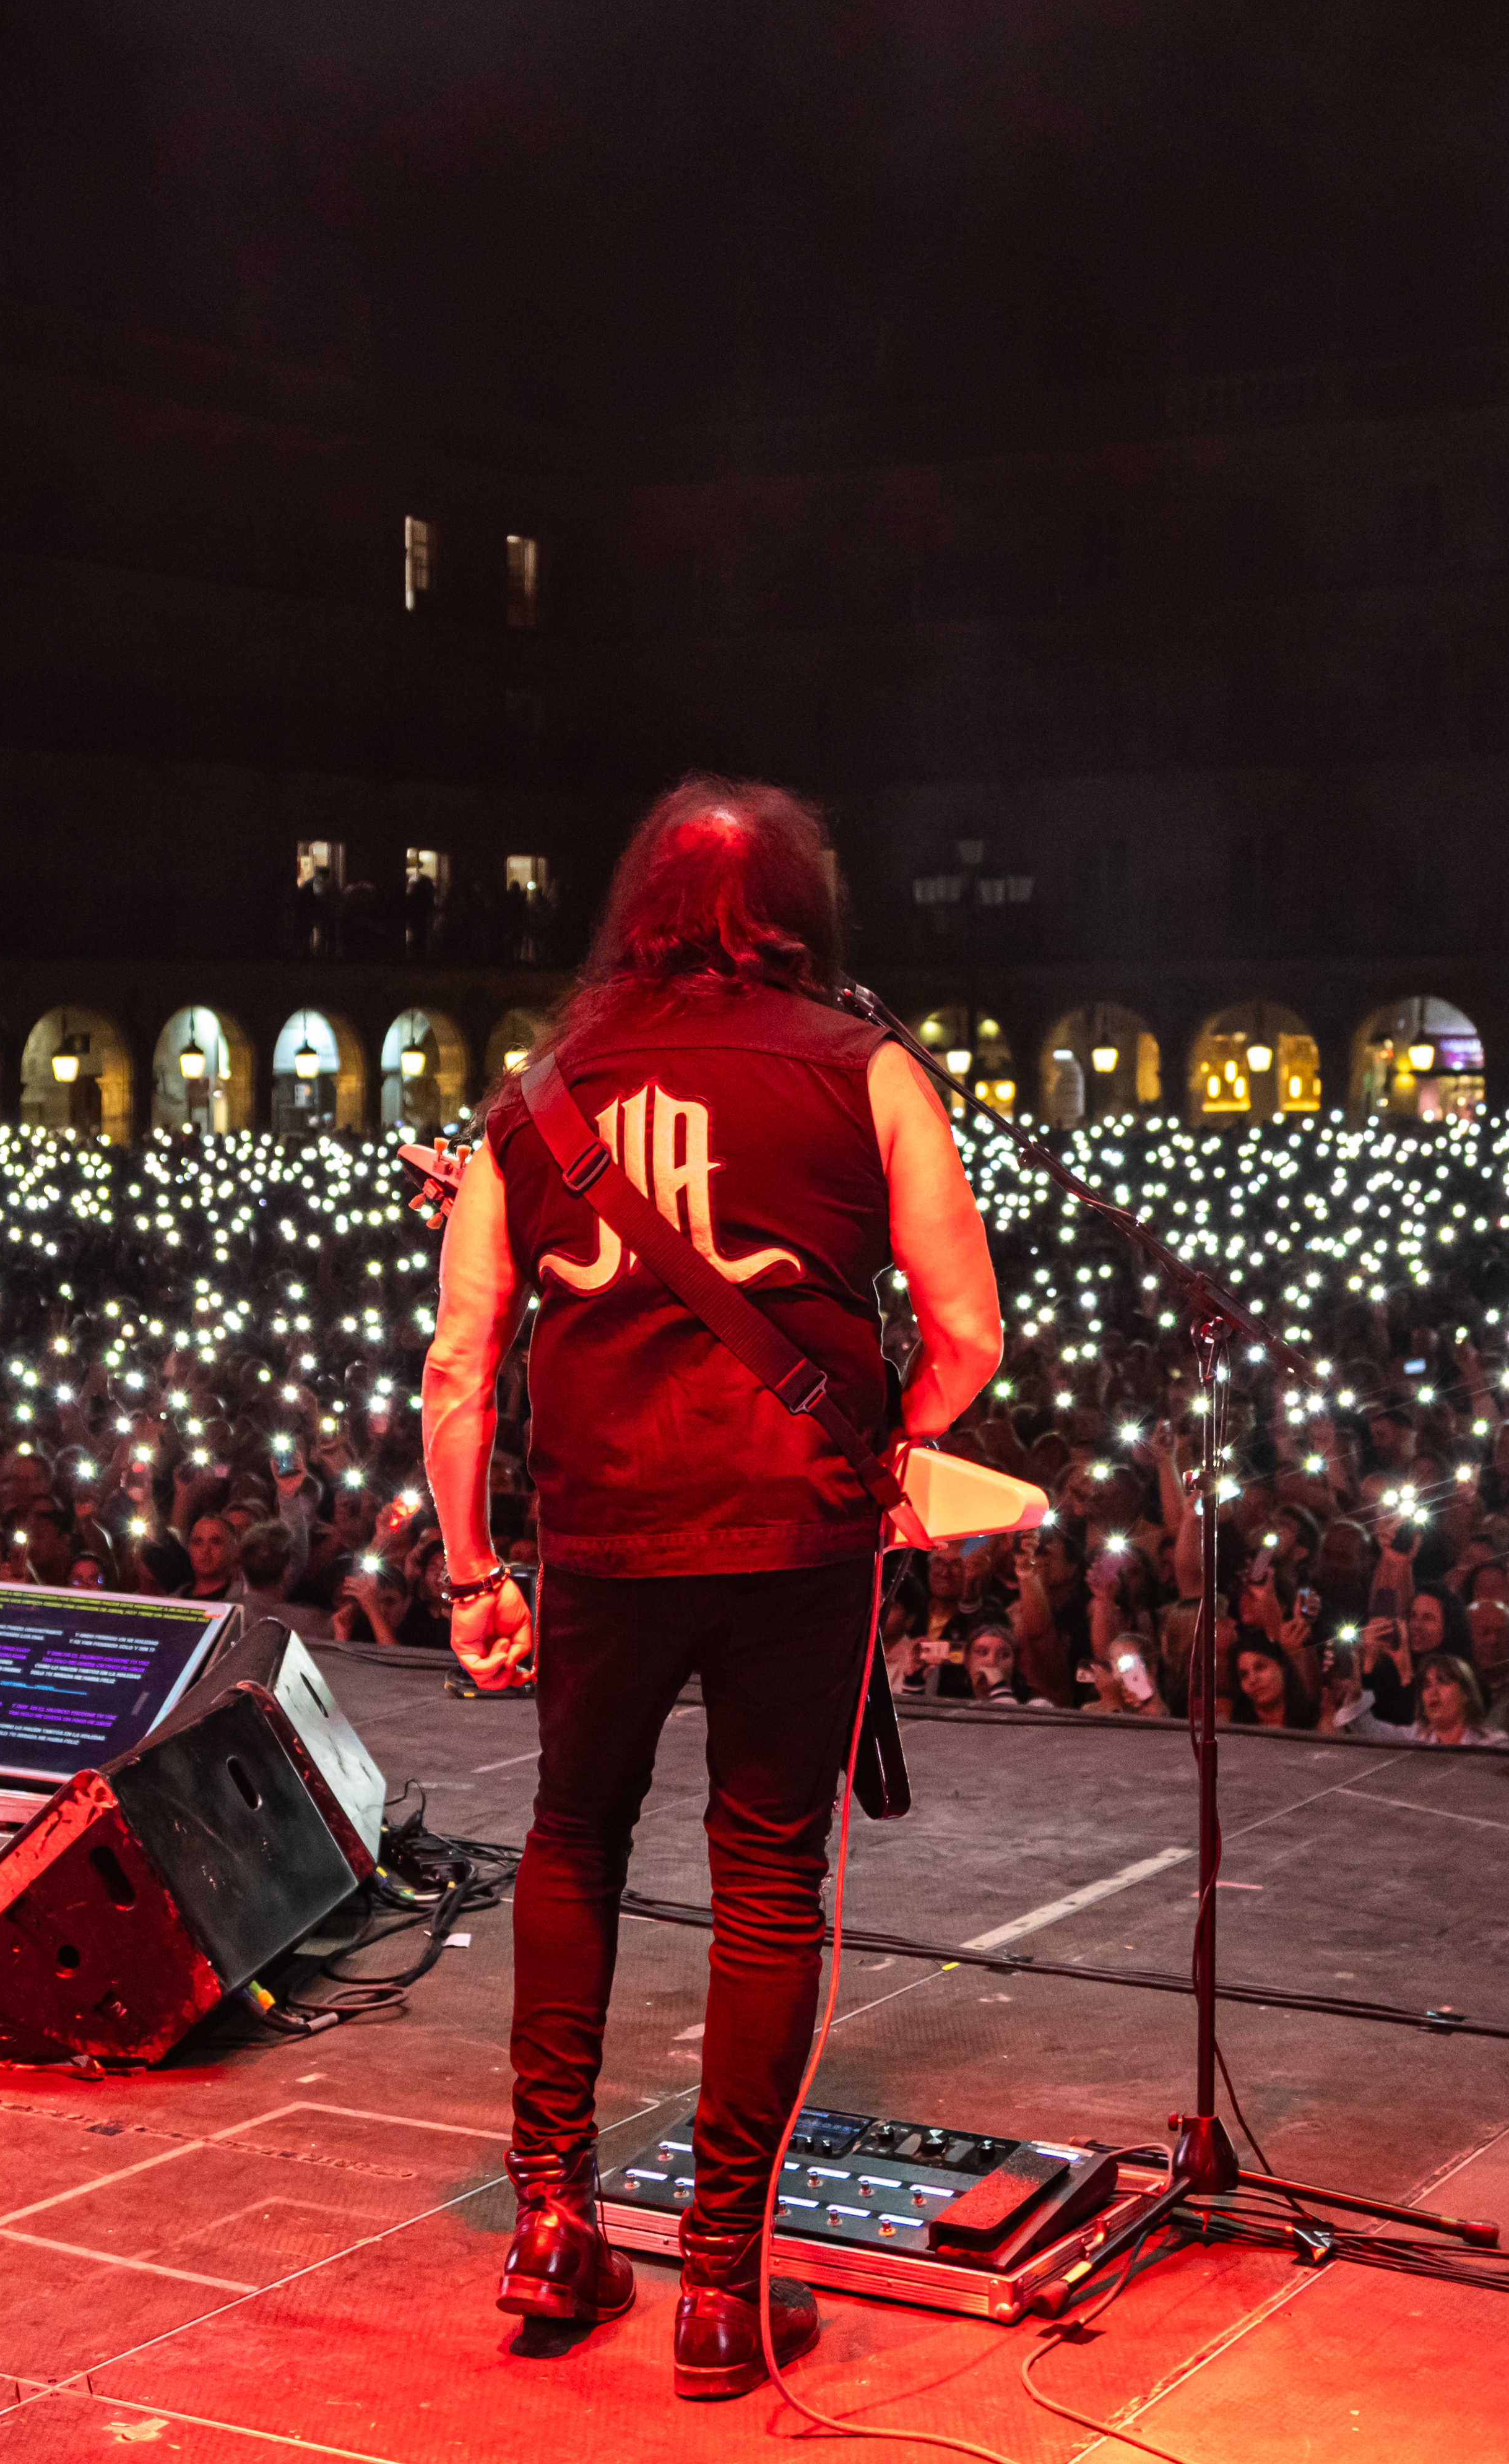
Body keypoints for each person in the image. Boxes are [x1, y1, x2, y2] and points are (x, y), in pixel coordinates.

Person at [418, 777, 1000, 2398]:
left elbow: (462, 1365)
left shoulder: (534, 1098)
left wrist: (473, 1573)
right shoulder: (870, 1070)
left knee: (570, 1841)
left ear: (636, 911)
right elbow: (968, 1336)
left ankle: (551, 2227)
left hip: (601, 1538)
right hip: (796, 1537)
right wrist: (889, 1453)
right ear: (807, 915)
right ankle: (725, 2291)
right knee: (764, 1874)